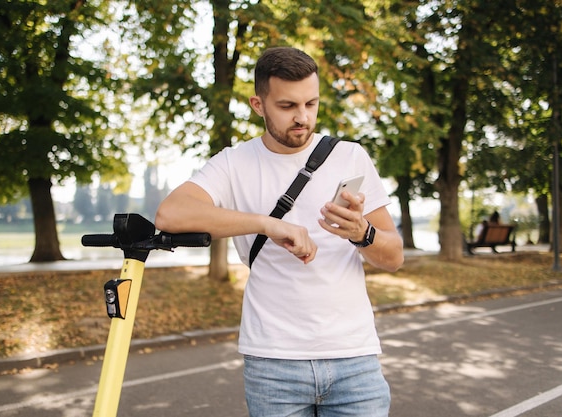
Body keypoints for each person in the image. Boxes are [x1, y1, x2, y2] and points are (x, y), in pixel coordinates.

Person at [156, 46, 404, 417]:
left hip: (354, 359)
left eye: (311, 104)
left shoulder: (350, 156)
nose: (302, 117)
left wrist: (362, 233)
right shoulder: (234, 162)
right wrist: (266, 223)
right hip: (273, 363)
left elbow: (394, 257)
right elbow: (170, 214)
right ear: (259, 105)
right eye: (287, 106)